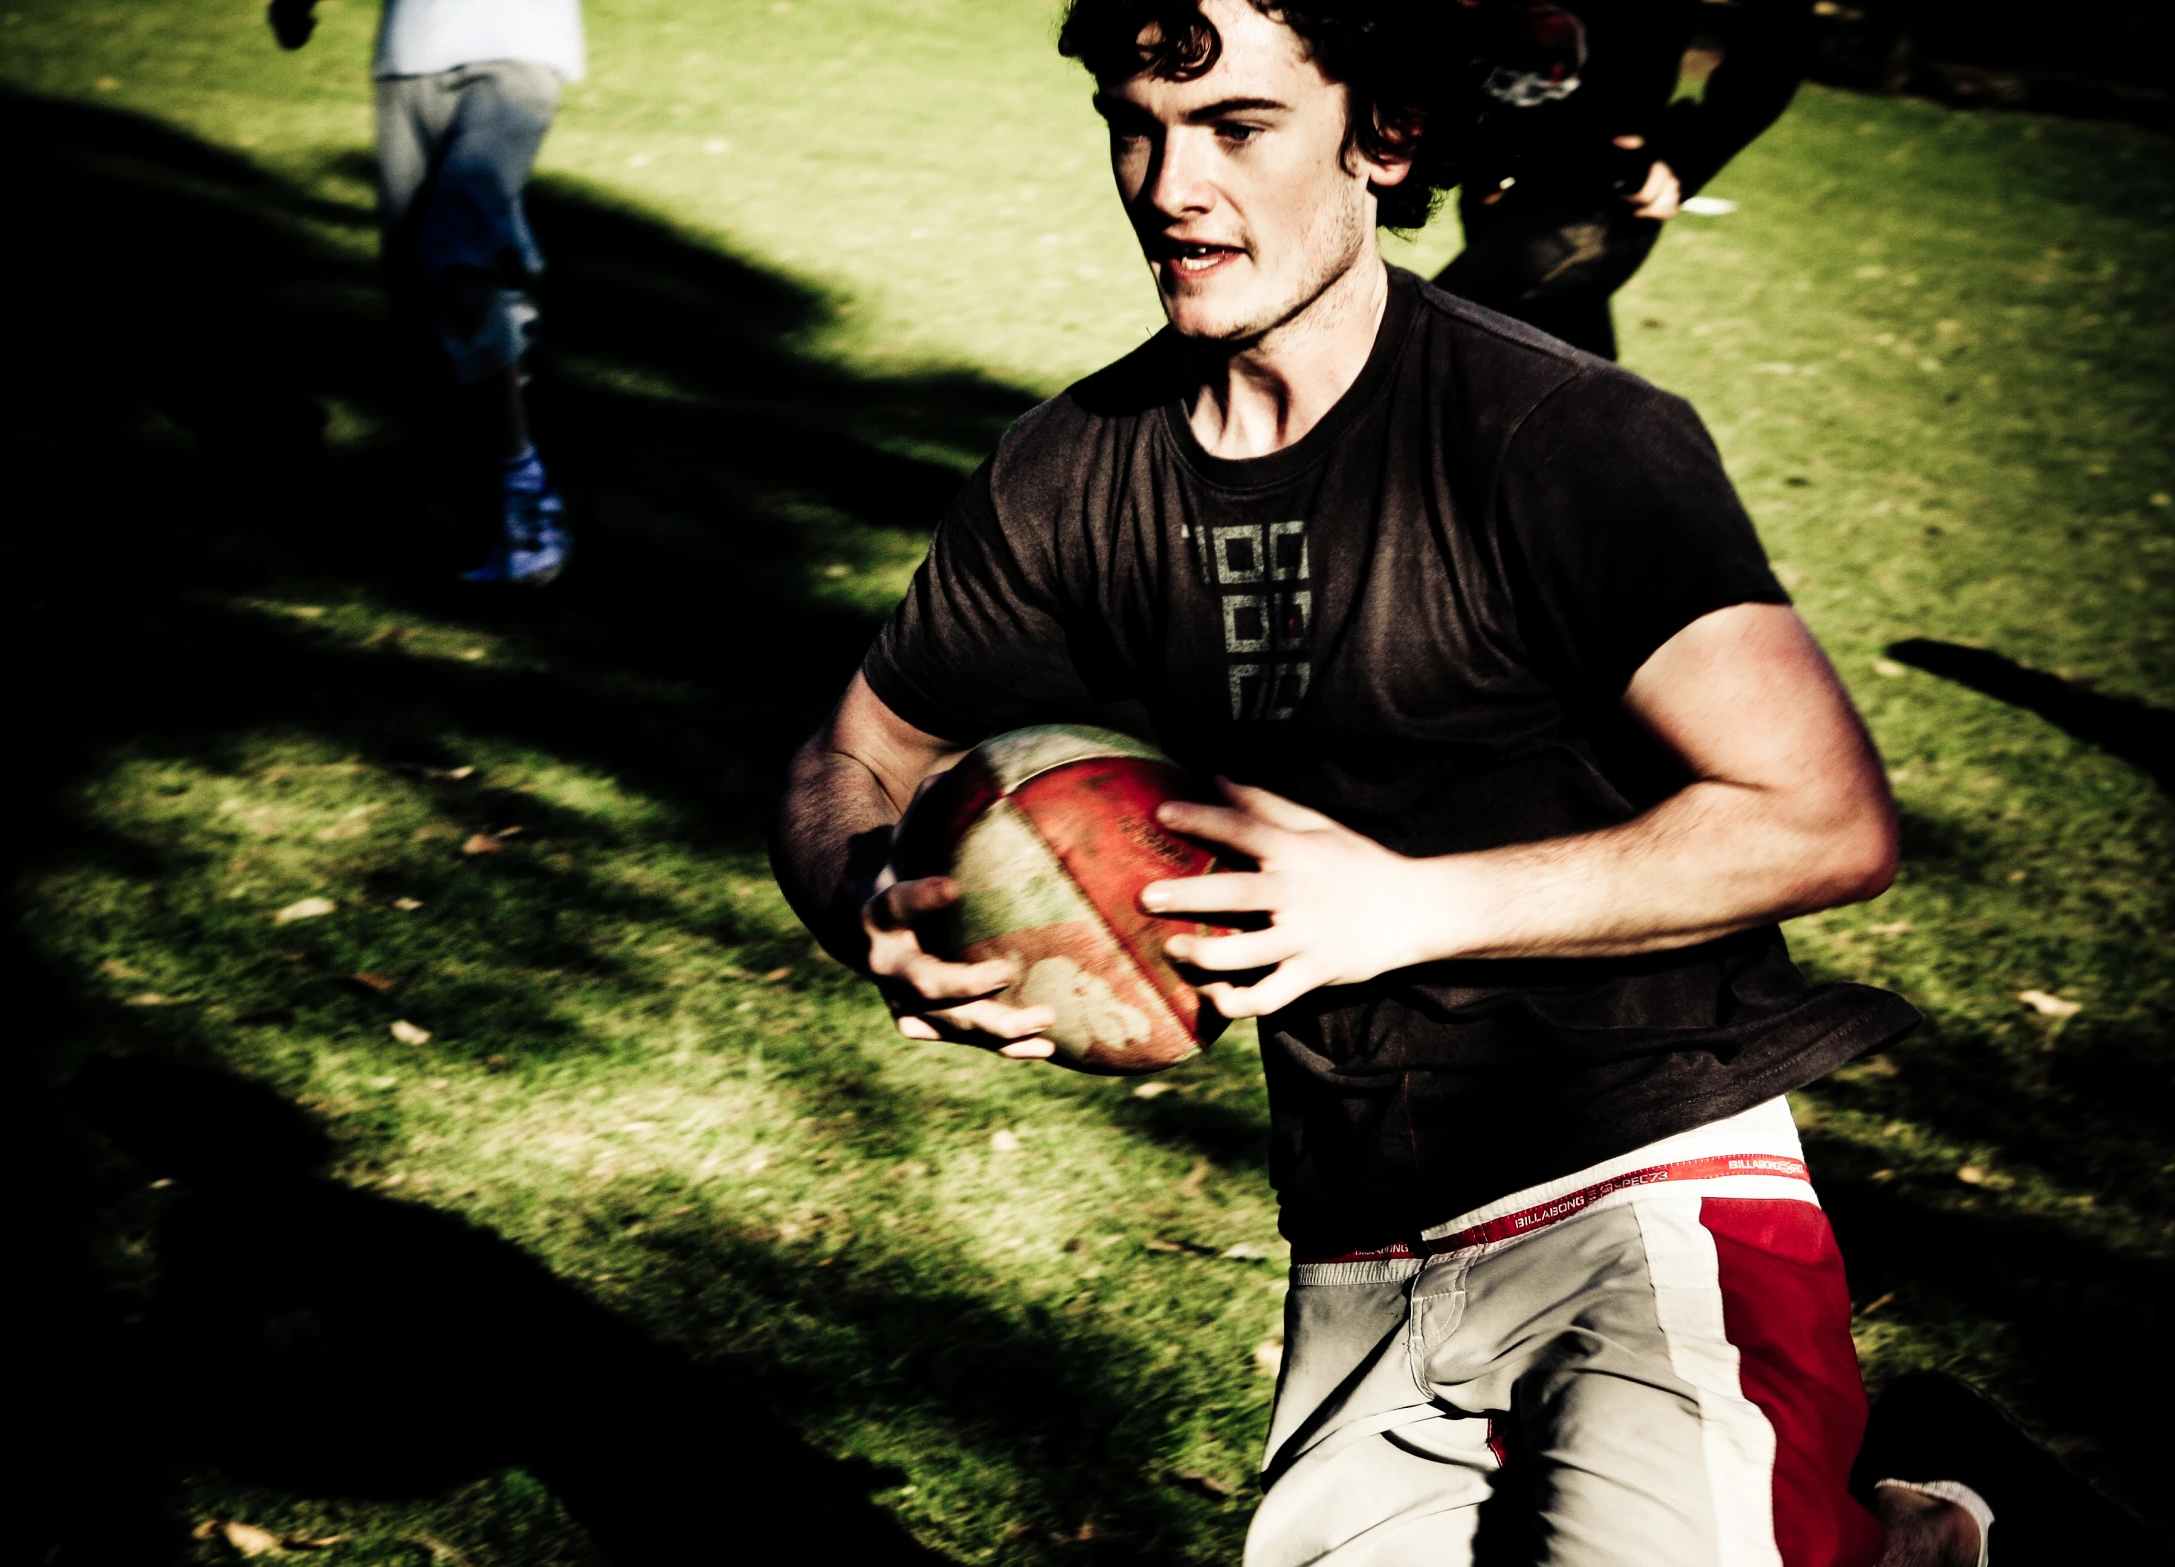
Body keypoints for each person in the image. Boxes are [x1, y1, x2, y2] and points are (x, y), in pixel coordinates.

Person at [771, 1, 2000, 1562]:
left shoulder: (1555, 435)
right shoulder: (1077, 469)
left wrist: (1398, 906)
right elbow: (854, 748)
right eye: (1134, 123)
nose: (1165, 184)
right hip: (1354, 1240)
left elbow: (1821, 816)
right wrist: (869, 895)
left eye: (1237, 126)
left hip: (1644, 1174)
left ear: (1388, 136)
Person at [268, 0, 580, 584]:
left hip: (521, 48)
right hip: (411, 49)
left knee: (457, 251)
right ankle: (509, 333)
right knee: (421, 290)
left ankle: (529, 501)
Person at [1431, 0, 1815, 360]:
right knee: (1558, 365)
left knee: (1431, 341)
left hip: (1601, 188)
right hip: (1491, 166)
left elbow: (1778, 36)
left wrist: (1695, 150)